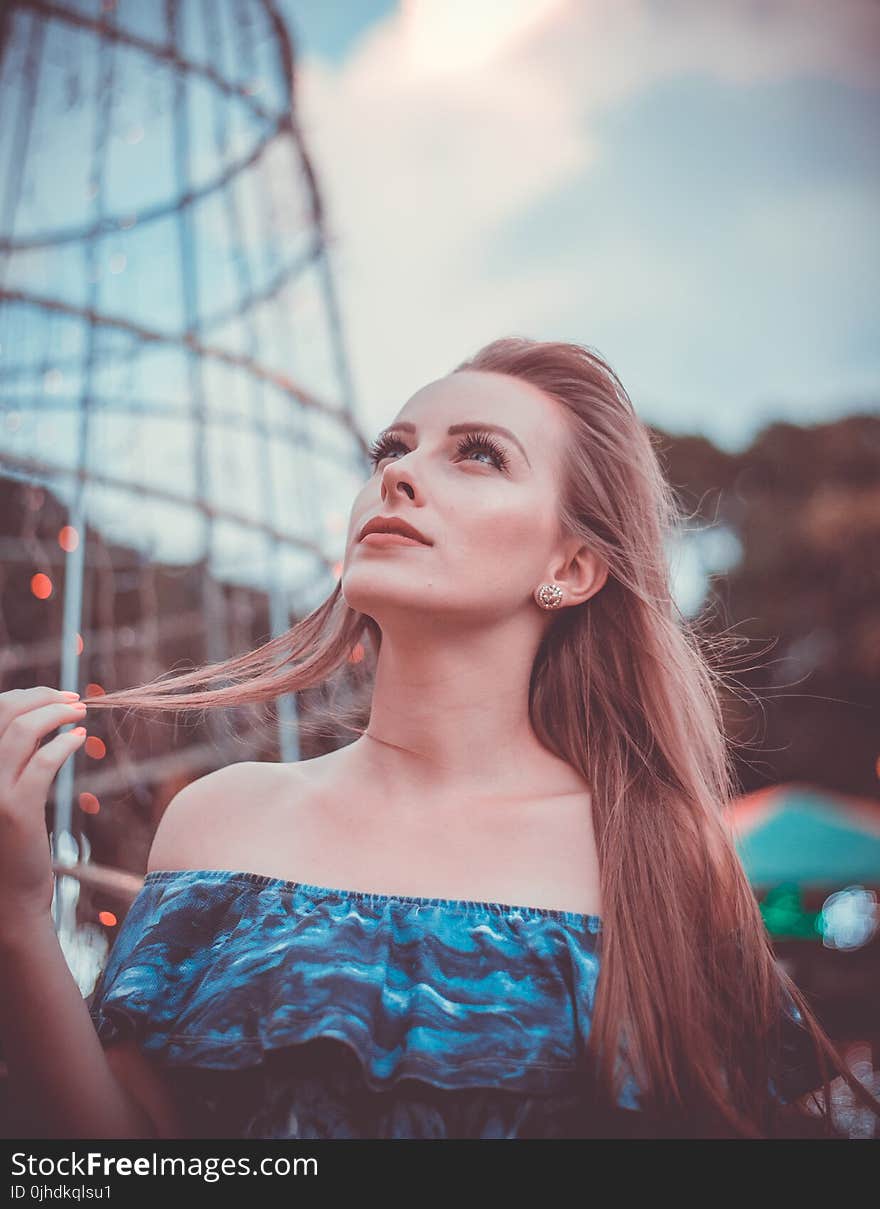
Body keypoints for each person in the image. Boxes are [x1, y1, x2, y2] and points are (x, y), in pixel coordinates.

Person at [2, 338, 878, 1139]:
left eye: (479, 454)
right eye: (393, 448)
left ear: (570, 568)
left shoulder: (659, 853)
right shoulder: (220, 820)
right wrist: (16, 916)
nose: (401, 475)